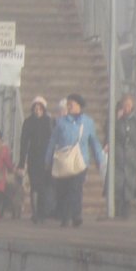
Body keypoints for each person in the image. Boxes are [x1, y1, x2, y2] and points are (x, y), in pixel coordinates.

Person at [45, 94, 105, 228]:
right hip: (63, 161)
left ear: (79, 106)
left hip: (80, 161)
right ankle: (65, 217)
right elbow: (53, 141)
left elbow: (93, 141)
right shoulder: (60, 122)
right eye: (68, 104)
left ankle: (76, 215)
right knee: (63, 190)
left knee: (75, 188)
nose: (69, 106)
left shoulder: (88, 122)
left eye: (71, 104)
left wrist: (99, 159)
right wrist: (47, 159)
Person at [105, 94, 136, 219]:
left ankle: (126, 209)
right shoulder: (115, 119)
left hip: (132, 156)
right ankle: (116, 207)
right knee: (117, 182)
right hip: (118, 156)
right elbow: (108, 134)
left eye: (129, 106)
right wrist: (115, 119)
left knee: (129, 183)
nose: (126, 108)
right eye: (124, 105)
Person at [18, 95, 54, 223]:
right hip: (33, 157)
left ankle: (42, 212)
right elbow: (24, 142)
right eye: (35, 108)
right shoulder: (28, 122)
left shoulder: (48, 121)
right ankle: (35, 212)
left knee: (43, 187)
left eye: (40, 108)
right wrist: (22, 162)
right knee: (34, 186)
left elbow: (52, 141)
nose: (38, 110)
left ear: (43, 109)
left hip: (45, 158)